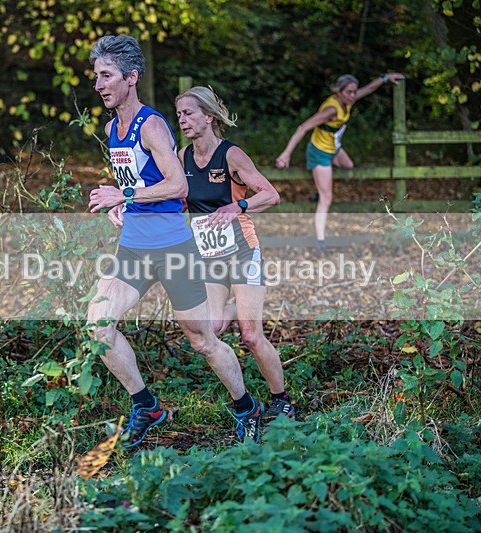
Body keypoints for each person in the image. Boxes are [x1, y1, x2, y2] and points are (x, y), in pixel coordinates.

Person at [86, 35, 264, 447]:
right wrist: (122, 204)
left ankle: (246, 406)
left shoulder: (151, 124)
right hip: (133, 246)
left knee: (201, 339)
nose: (99, 84)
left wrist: (124, 195)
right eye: (96, 76)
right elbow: (137, 183)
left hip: (172, 248)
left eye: (106, 75)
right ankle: (146, 405)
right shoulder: (113, 127)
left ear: (131, 78)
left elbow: (177, 183)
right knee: (99, 325)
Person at [174, 86, 295, 420]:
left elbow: (271, 195)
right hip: (210, 257)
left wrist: (237, 206)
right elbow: (183, 199)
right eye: (180, 114)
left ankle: (282, 399)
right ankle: (239, 305)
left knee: (251, 336)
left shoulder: (231, 156)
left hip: (242, 252)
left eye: (190, 113)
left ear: (209, 116)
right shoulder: (183, 157)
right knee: (211, 329)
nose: (183, 120)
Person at [275, 72, 405, 249]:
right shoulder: (331, 109)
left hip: (333, 148)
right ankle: (320, 241)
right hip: (319, 151)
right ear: (339, 91)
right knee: (327, 197)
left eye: (354, 92)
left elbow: (368, 89)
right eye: (349, 92)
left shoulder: (349, 100)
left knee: (348, 166)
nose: (352, 95)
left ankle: (318, 189)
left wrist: (385, 78)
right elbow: (303, 127)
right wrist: (286, 153)